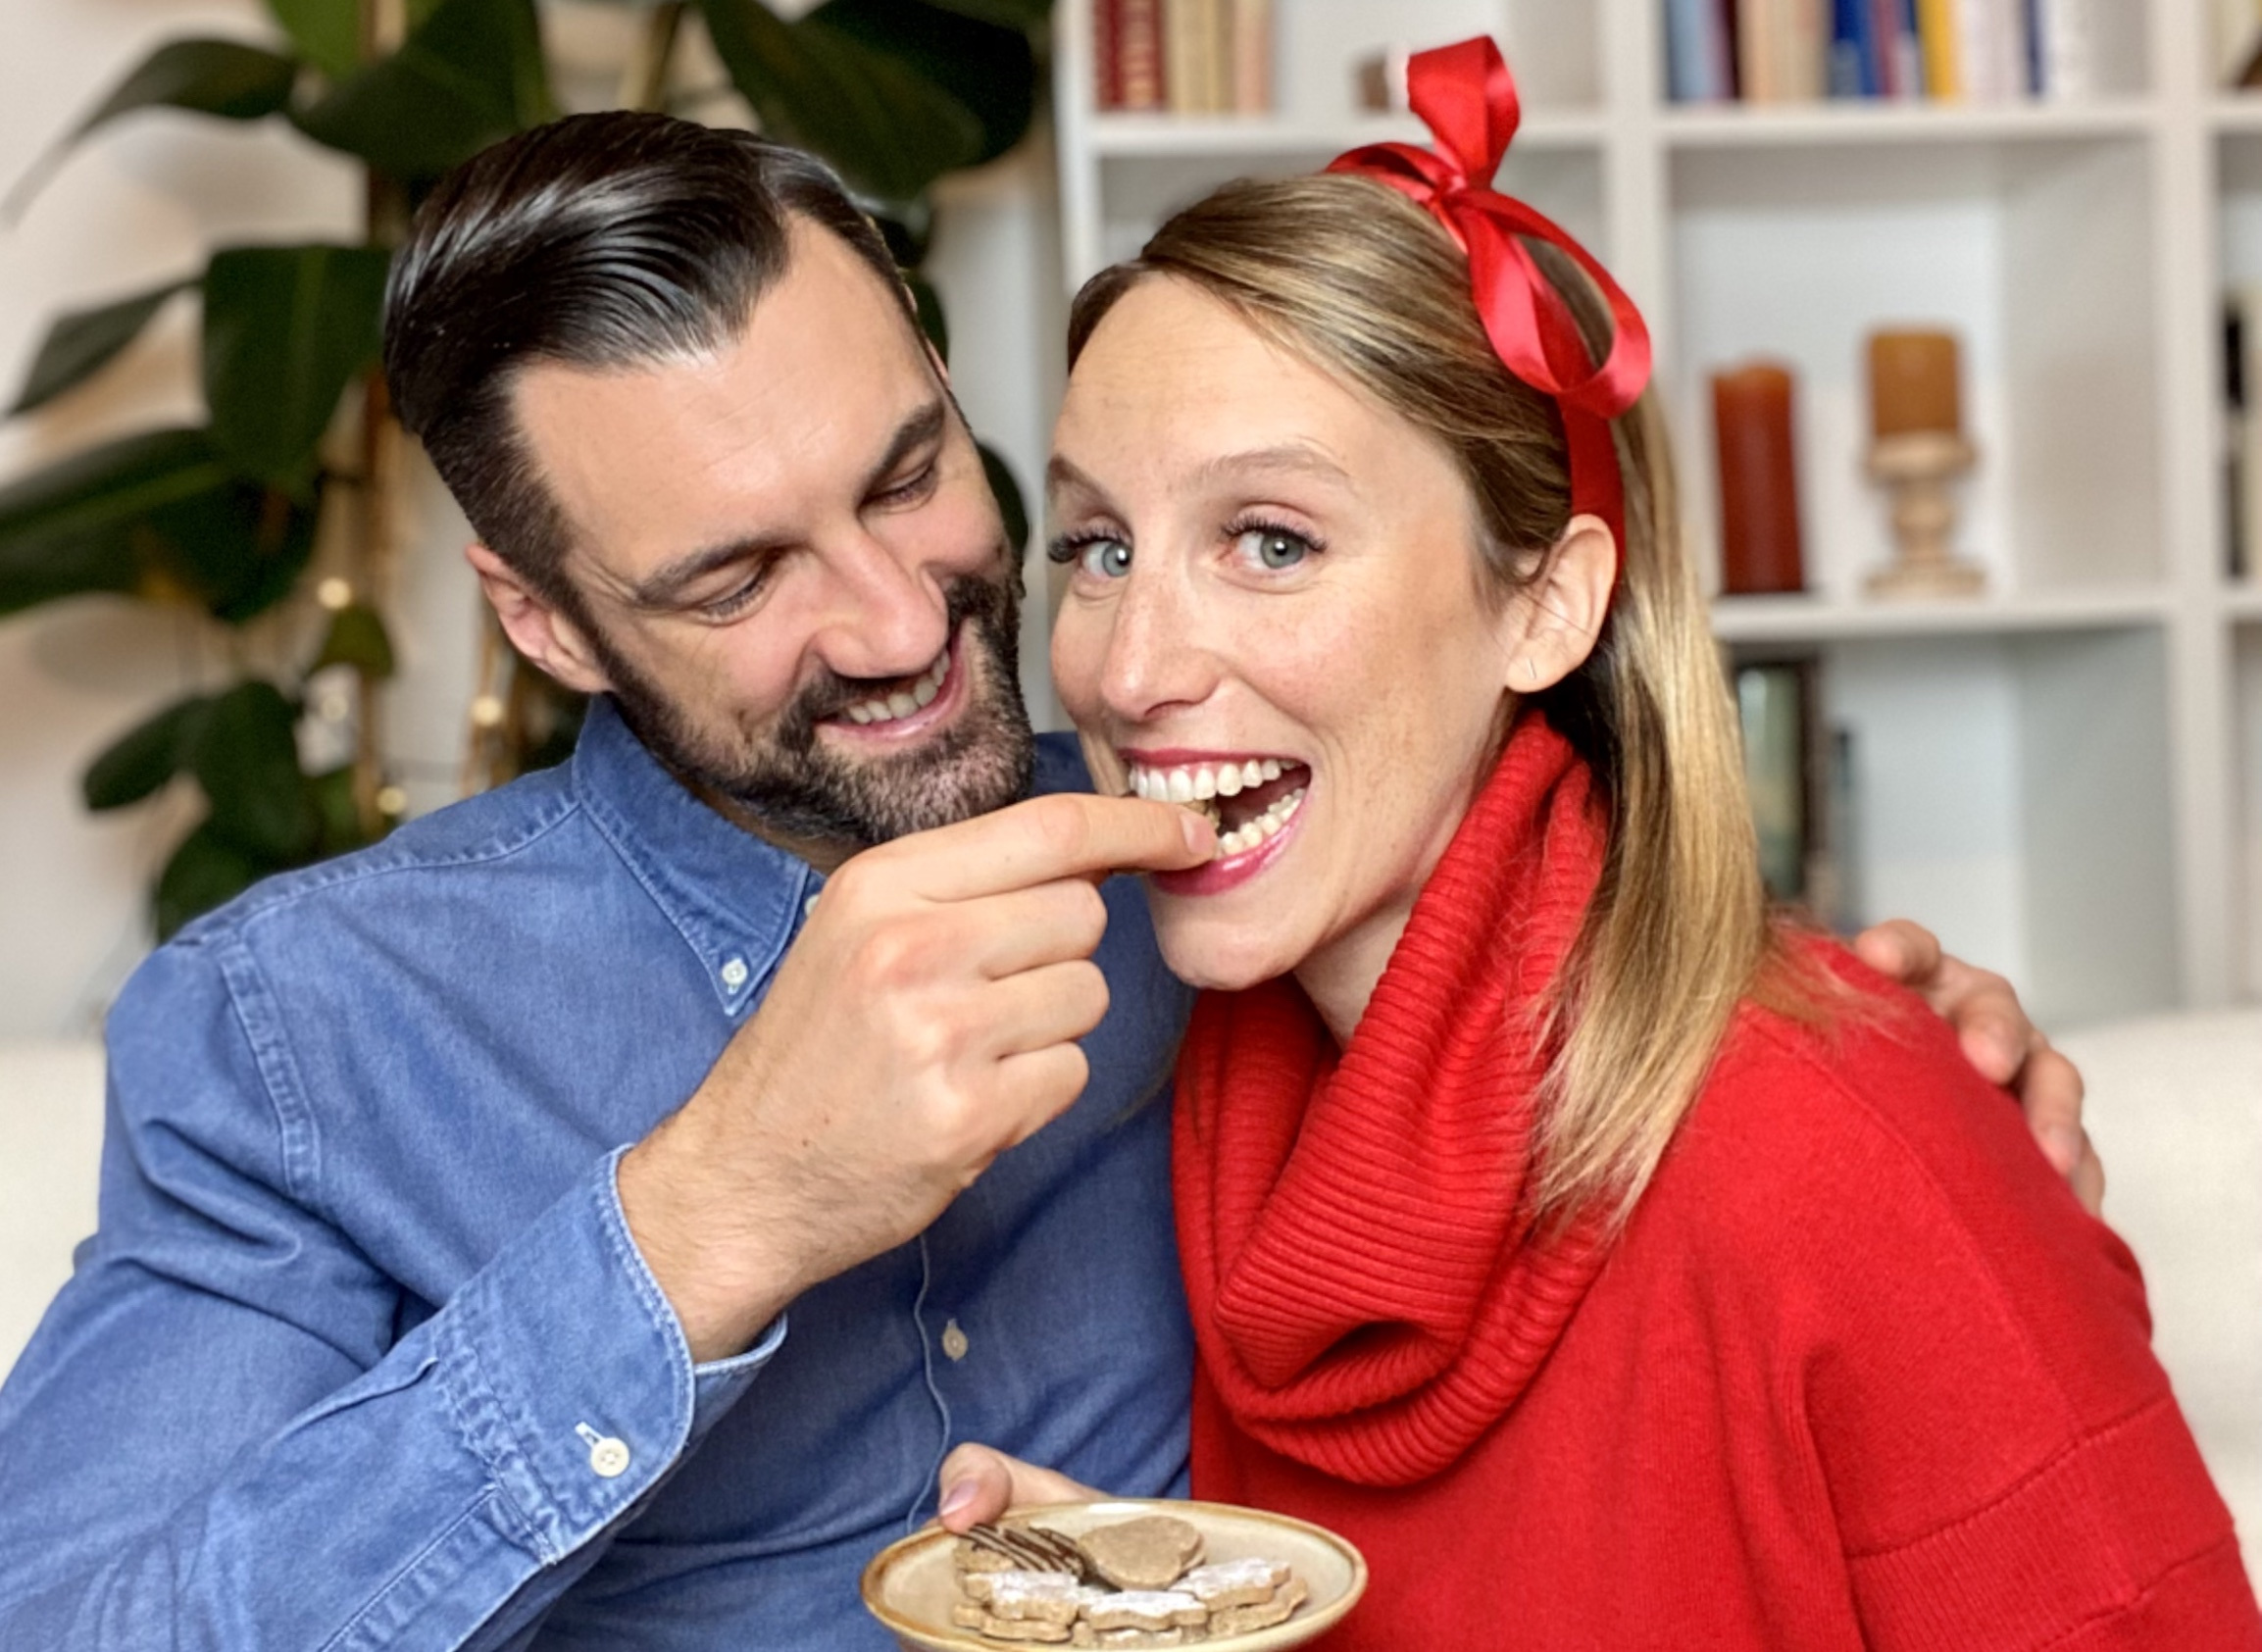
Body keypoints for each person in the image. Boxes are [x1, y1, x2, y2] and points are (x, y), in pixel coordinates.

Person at [0, 111, 2092, 1650]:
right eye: (735, 575)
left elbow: (1561, 951)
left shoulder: (1216, 855)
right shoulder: (306, 1025)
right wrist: (702, 1224)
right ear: (542, 621)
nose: (903, 622)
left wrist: (1881, 1034)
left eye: (913, 474)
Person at [939, 38, 2260, 1649]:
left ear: (1547, 604)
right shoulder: (1207, 1108)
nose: (1127, 668)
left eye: (1270, 540)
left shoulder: (1840, 1151)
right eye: (1097, 544)